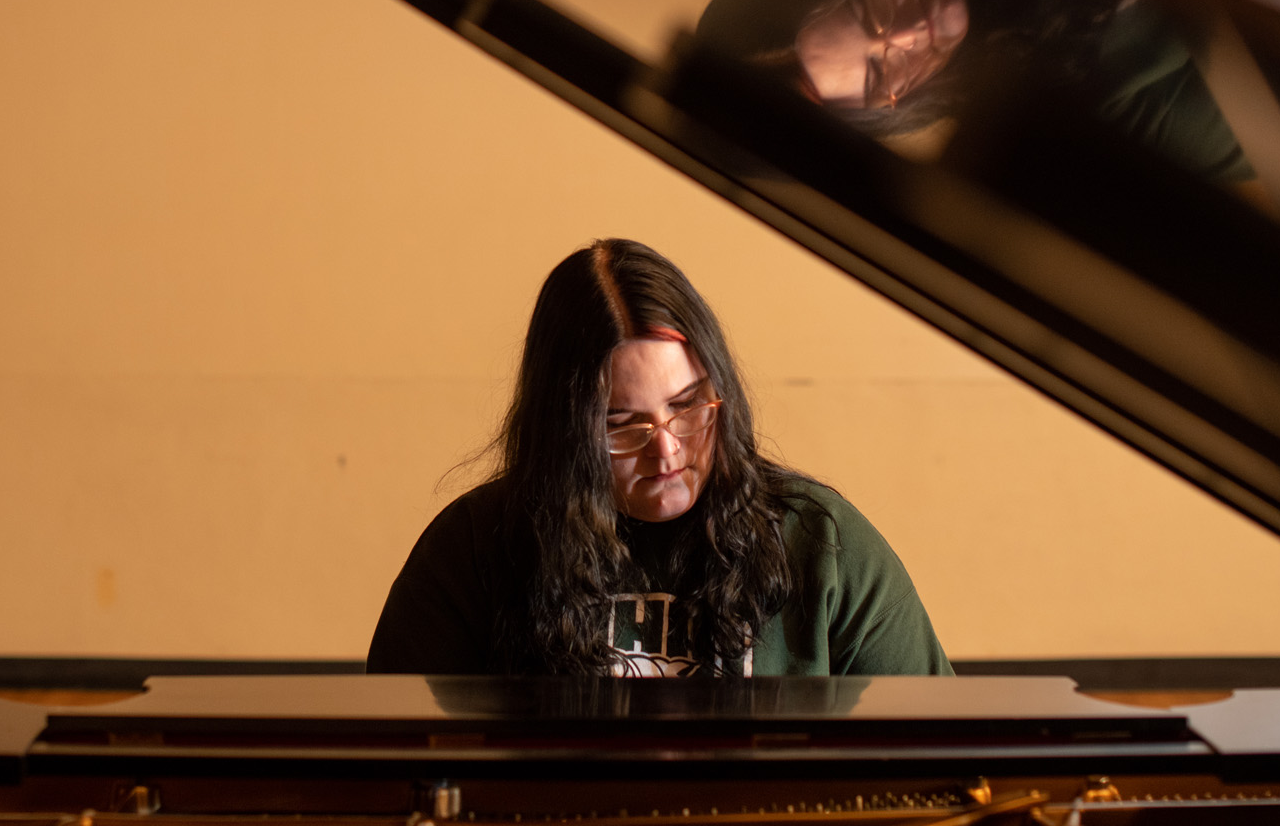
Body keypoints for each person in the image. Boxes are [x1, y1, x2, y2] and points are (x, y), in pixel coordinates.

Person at [366, 239, 952, 677]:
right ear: (563, 434)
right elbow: (387, 780)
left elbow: (946, 758)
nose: (666, 449)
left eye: (688, 405)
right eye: (621, 424)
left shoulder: (822, 544)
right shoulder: (470, 552)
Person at [694, 0, 1252, 184]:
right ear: (893, 109)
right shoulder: (1095, 106)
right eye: (882, 75)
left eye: (870, 6)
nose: (911, 36)